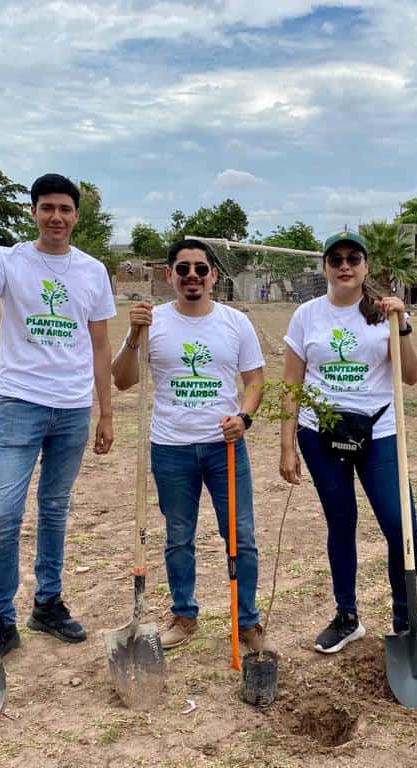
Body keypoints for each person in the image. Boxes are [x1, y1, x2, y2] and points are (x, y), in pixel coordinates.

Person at [0, 173, 115, 656]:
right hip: (20, 402)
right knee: (2, 513)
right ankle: (0, 615)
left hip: (74, 407)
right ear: (32, 211)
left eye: (66, 209)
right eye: (47, 207)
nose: (57, 216)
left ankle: (48, 603)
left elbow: (99, 343)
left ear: (77, 216)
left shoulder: (93, 271)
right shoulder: (7, 259)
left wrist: (106, 413)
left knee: (54, 507)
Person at [112, 239, 267, 652]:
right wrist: (133, 336)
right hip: (171, 448)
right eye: (183, 269)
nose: (192, 276)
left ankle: (247, 621)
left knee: (241, 536)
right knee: (179, 536)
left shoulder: (235, 323)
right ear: (170, 275)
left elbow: (254, 381)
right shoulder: (152, 321)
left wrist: (244, 418)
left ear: (214, 276)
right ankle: (184, 615)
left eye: (201, 269)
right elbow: (122, 380)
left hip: (224, 447)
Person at [279, 230, 417, 653]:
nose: (344, 266)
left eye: (353, 259)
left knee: (400, 527)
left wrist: (404, 325)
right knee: (341, 523)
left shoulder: (384, 313)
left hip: (378, 433)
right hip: (320, 434)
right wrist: (287, 445)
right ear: (324, 266)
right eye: (336, 259)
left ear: (365, 266)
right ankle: (346, 616)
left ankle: (404, 617)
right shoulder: (306, 315)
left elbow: (412, 375)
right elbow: (291, 384)